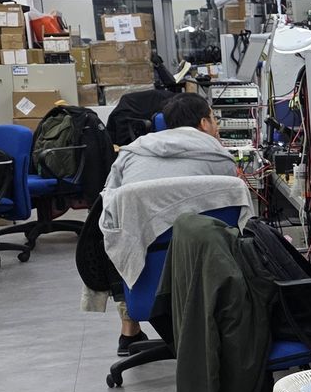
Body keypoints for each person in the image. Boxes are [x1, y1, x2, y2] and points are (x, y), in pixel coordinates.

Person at [101, 93, 240, 353]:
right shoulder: (219, 158)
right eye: (214, 119)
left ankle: (129, 330)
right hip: (205, 274)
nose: (217, 126)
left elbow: (110, 209)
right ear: (203, 123)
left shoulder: (131, 153)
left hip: (142, 269)